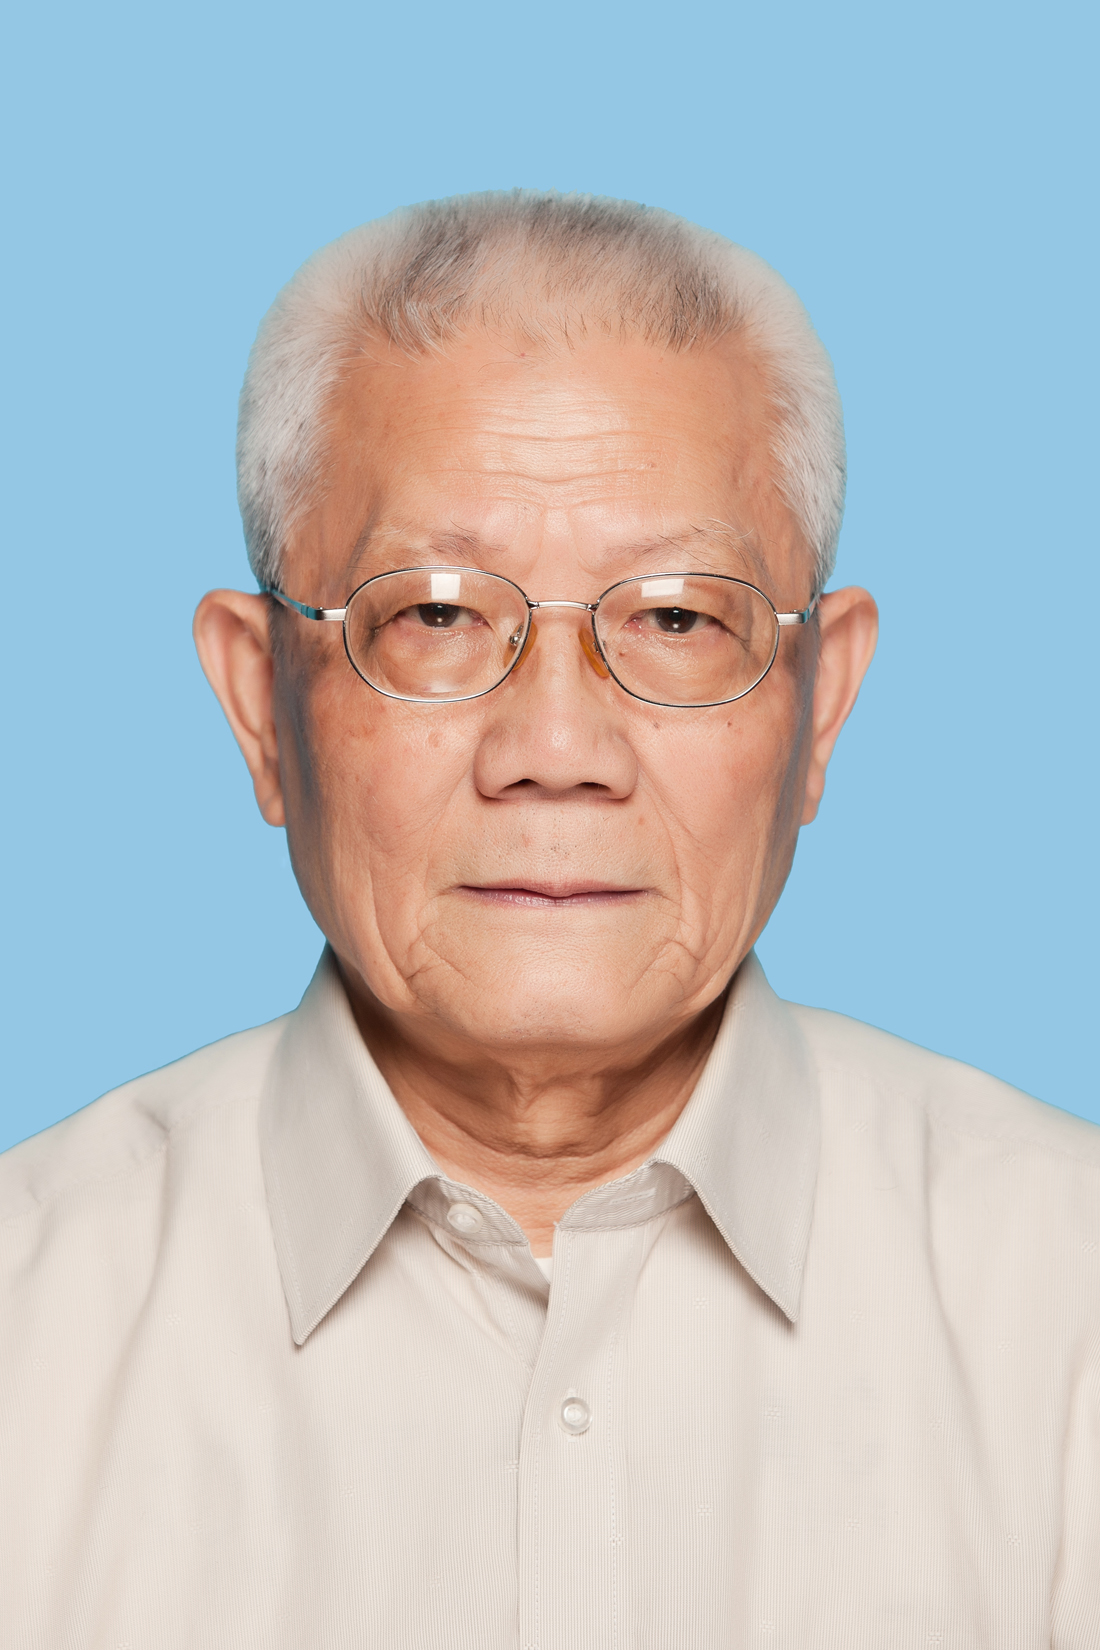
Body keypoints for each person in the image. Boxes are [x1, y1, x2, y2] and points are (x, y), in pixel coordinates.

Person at [2, 191, 1096, 1650]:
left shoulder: (1068, 1301)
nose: (558, 747)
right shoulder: (29, 1325)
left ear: (821, 702)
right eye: (436, 614)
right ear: (261, 702)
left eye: (678, 618)